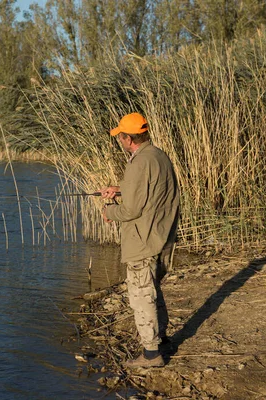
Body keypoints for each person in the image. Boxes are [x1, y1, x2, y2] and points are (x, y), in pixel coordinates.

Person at [99, 112, 179, 368]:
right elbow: (151, 188)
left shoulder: (138, 162)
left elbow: (131, 210)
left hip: (143, 241)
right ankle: (162, 338)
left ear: (128, 138)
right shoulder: (158, 155)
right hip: (163, 236)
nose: (119, 141)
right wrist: (119, 189)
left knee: (141, 296)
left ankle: (151, 355)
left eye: (120, 137)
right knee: (154, 288)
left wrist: (109, 211)